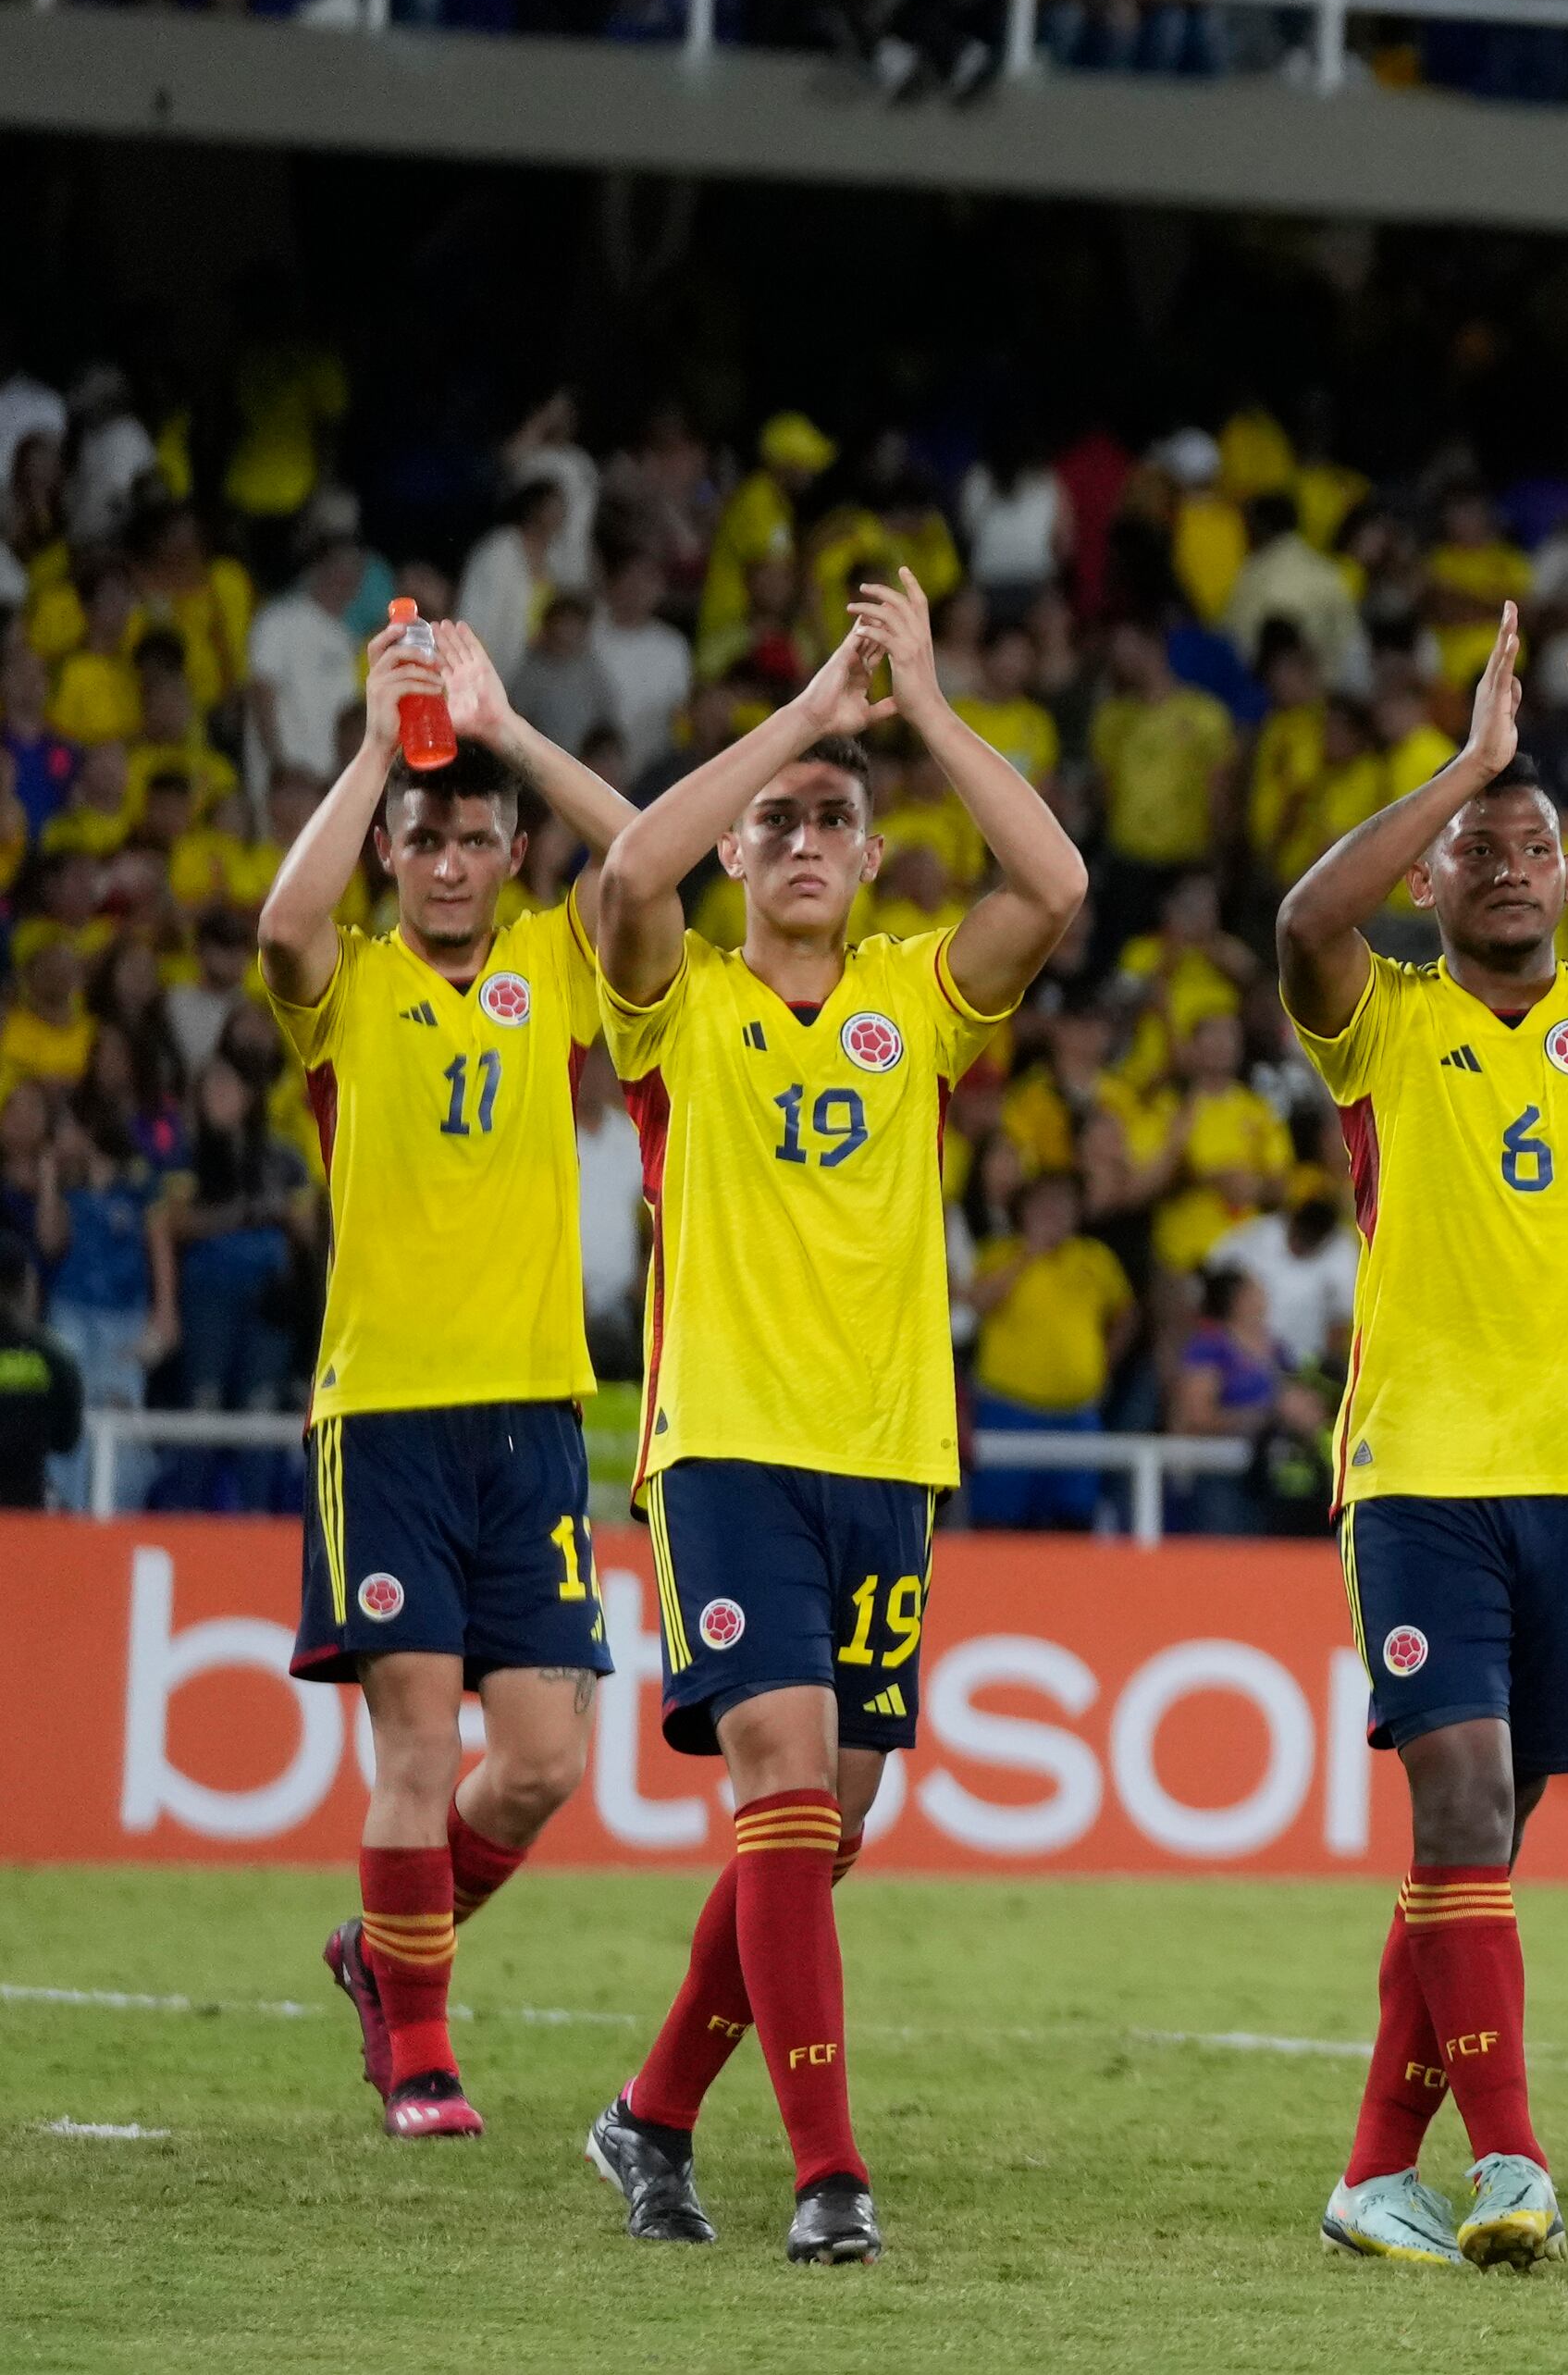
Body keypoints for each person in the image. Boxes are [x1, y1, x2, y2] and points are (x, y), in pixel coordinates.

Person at [578, 571, 1086, 2266]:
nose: (801, 835)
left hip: (889, 1454)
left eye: (833, 822)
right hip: (723, 1444)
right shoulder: (681, 1001)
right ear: (741, 856)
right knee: (787, 1786)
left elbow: (1059, 881)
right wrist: (804, 716)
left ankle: (651, 2113)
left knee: (833, 1819)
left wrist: (925, 709)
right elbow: (627, 871)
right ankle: (827, 2171)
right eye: (777, 821)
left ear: (873, 861)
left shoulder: (913, 998)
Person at [1278, 593, 1568, 2271]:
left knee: (1484, 1838)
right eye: (1474, 844)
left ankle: (1366, 2174)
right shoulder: (1382, 1026)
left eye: (1529, 842)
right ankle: (1516, 2164)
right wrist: (1469, 758)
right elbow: (1300, 920)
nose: (1500, 859)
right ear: (1431, 881)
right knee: (1463, 1810)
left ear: (1567, 878)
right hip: (1418, 1475)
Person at [258, 614, 635, 2140]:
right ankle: (421, 2053)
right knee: (418, 1745)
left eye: (478, 837)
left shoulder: (556, 966)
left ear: (511, 850)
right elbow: (282, 929)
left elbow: (659, 861)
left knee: (543, 1761)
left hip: (536, 1413)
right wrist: (375, 746)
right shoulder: (344, 985)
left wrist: (507, 725)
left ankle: (384, 1950)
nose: (451, 863)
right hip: (388, 1416)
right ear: (393, 855)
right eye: (426, 840)